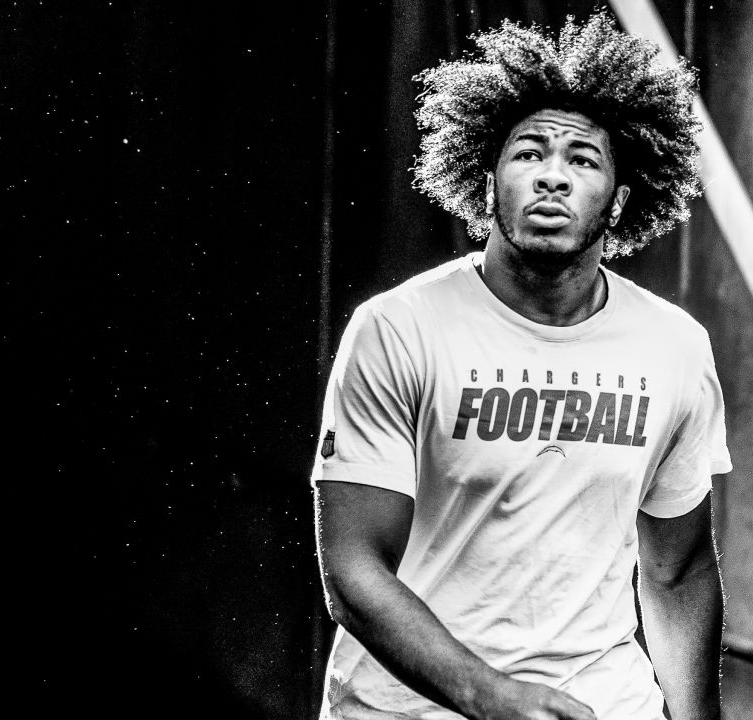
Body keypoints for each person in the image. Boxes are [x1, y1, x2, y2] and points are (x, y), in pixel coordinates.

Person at [311, 14, 729, 720]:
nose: (553, 177)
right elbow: (352, 568)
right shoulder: (399, 329)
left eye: (584, 160)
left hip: (601, 704)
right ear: (487, 186)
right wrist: (489, 696)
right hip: (409, 709)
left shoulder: (675, 348)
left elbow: (677, 567)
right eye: (529, 153)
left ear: (620, 201)